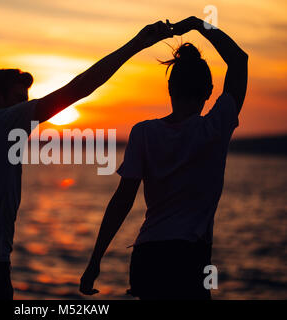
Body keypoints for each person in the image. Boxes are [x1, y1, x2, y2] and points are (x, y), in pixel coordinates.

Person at [0, 21, 174, 299]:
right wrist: (137, 43)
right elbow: (80, 87)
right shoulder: (7, 122)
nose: (26, 106)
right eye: (20, 99)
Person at [80, 16, 248, 300]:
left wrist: (95, 260)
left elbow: (122, 200)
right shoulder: (215, 128)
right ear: (209, 91)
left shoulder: (144, 133)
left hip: (148, 255)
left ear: (170, 89)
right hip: (189, 257)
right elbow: (239, 60)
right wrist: (198, 24)